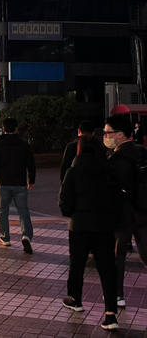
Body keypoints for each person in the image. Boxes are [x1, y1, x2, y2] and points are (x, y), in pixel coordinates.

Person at [58, 136, 119, 330]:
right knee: (108, 269)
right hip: (104, 227)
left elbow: (64, 203)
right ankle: (111, 314)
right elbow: (117, 199)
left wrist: (72, 213)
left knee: (77, 265)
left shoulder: (73, 172)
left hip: (79, 227)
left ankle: (76, 299)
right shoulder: (108, 171)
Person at [104, 114, 147, 308]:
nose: (105, 136)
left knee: (117, 255)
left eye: (108, 133)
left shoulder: (115, 159)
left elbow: (110, 190)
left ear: (120, 135)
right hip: (144, 212)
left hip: (122, 215)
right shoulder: (143, 152)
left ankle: (117, 295)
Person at [0, 118, 36, 254]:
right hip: (19, 182)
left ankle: (5, 238)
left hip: (2, 182)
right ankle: (26, 235)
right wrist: (31, 179)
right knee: (23, 211)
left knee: (2, 211)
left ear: (3, 129)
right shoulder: (23, 144)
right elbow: (31, 163)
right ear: (16, 129)